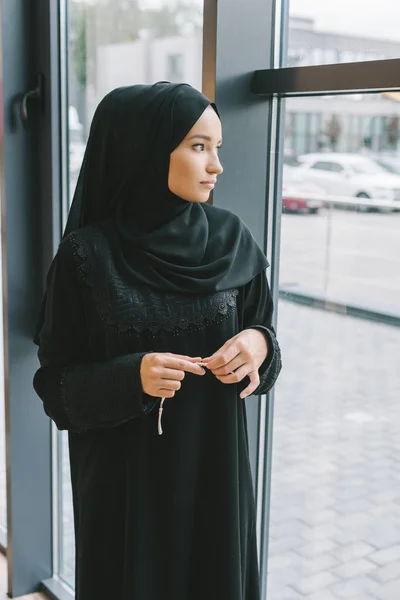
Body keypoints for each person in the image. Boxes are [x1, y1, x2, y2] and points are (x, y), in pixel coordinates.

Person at [33, 82, 282, 600]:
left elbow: (264, 335)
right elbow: (55, 387)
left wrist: (257, 345)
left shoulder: (232, 239)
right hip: (127, 496)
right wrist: (132, 377)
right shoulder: (86, 257)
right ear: (144, 148)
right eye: (198, 146)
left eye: (217, 148)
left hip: (216, 479)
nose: (215, 166)